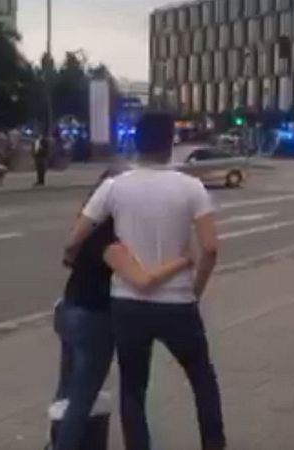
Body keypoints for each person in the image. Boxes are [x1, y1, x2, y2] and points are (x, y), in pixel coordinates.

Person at [64, 130, 226, 450]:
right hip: (178, 302)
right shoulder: (191, 187)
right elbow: (209, 249)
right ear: (170, 146)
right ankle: (213, 443)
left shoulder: (114, 186)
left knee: (133, 388)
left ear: (136, 146)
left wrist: (72, 255)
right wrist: (196, 289)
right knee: (202, 379)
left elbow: (75, 238)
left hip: (128, 305)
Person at [53, 169, 194, 450]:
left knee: (68, 393)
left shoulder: (89, 228)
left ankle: (58, 440)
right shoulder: (111, 239)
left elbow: (68, 255)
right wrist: (183, 262)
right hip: (94, 319)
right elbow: (143, 281)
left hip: (69, 311)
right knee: (83, 397)